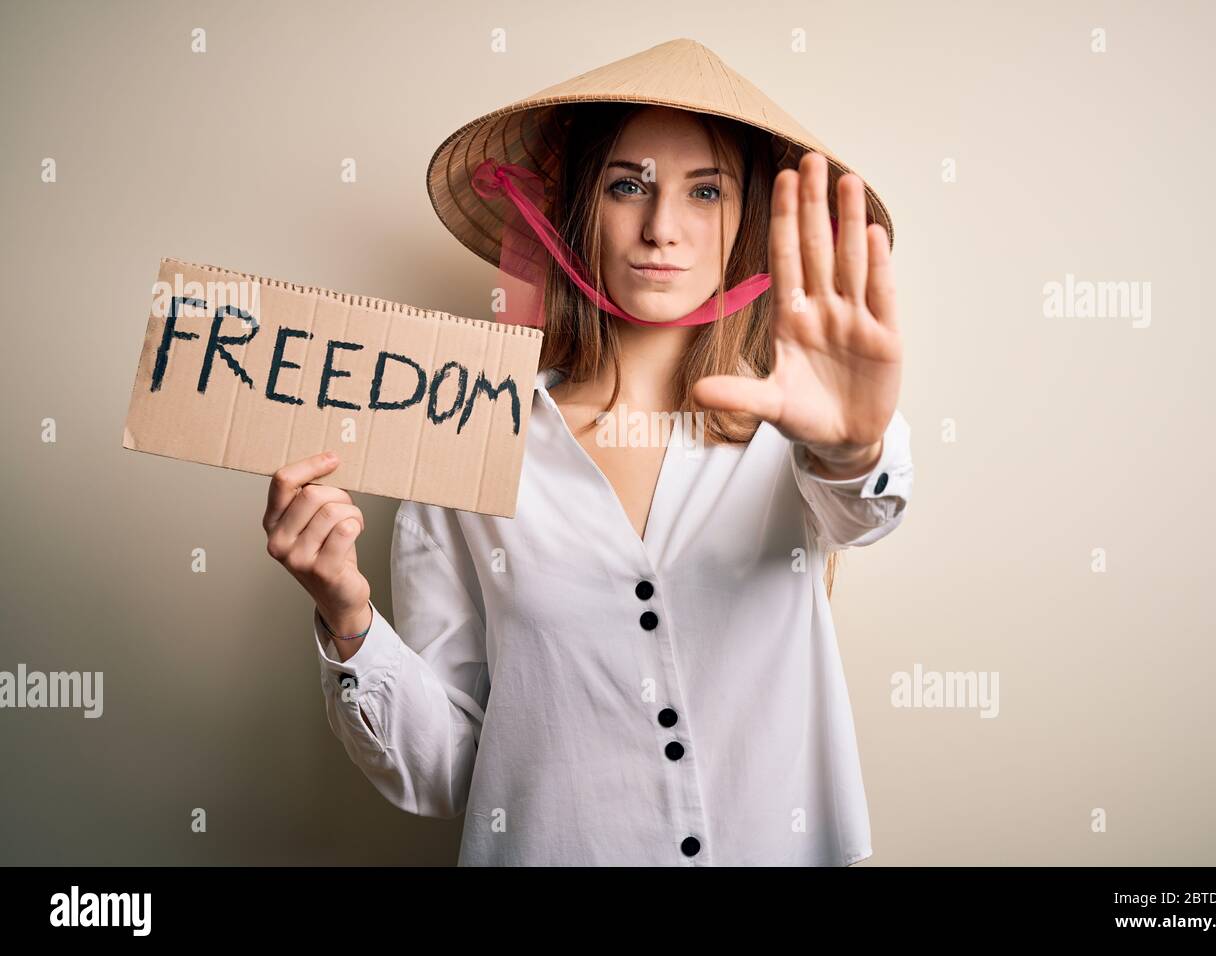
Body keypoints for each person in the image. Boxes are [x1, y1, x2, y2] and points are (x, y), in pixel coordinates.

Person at [263, 40, 912, 866]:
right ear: (576, 210)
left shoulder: (801, 427)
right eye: (627, 185)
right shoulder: (470, 440)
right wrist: (348, 620)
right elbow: (444, 773)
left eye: (705, 191)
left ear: (748, 222)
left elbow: (867, 509)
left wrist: (855, 446)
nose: (661, 228)